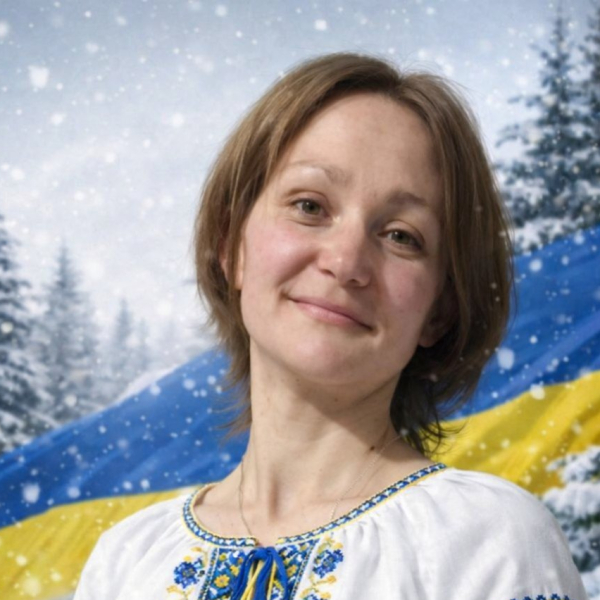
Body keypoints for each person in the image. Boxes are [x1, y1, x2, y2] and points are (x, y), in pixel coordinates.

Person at [74, 52, 588, 600]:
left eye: (401, 236)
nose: (346, 262)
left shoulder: (487, 542)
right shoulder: (127, 562)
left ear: (439, 310)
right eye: (310, 206)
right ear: (231, 247)